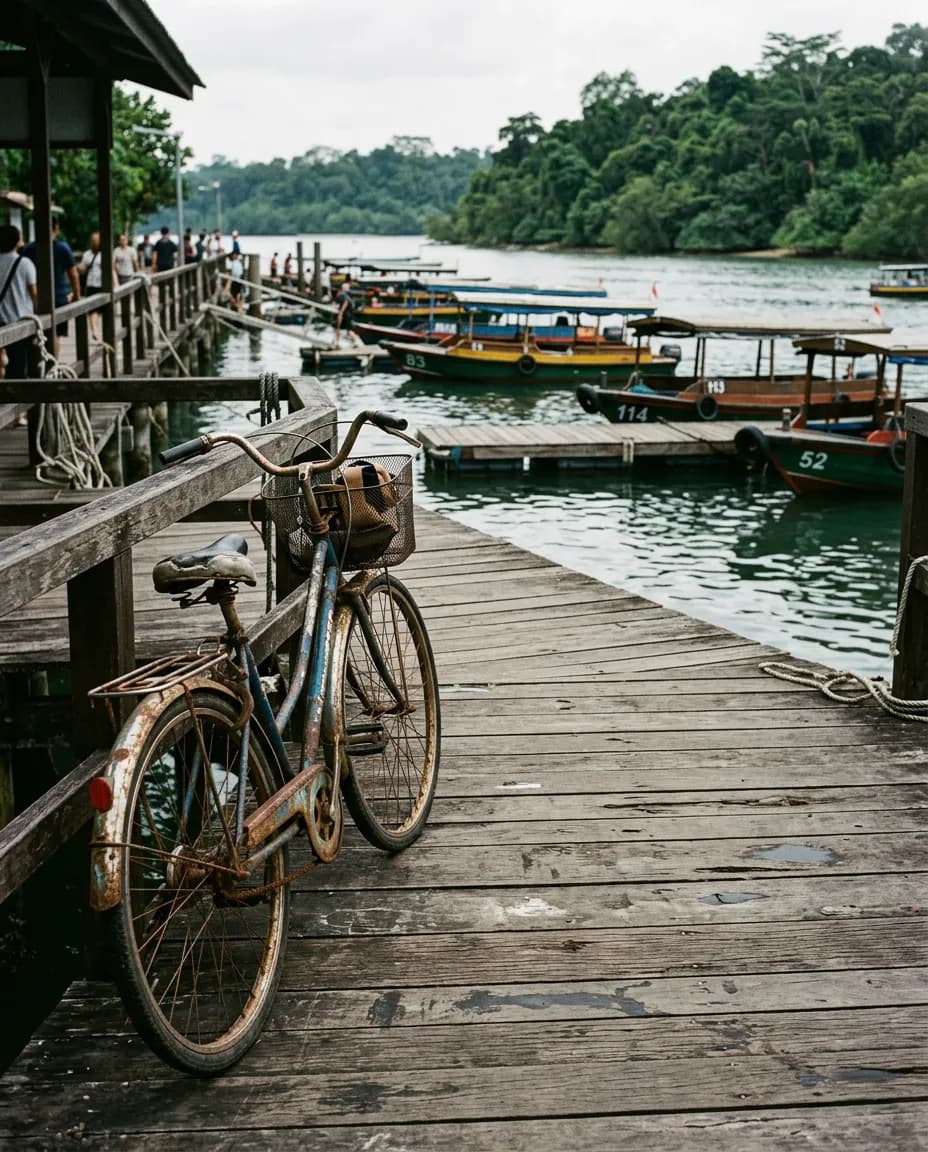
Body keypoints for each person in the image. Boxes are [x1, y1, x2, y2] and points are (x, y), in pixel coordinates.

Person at [22, 219, 79, 350]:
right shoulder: (63, 248)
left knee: (37, 334)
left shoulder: (29, 249)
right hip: (59, 297)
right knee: (56, 334)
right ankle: (53, 366)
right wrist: (77, 294)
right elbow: (73, 274)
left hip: (34, 299)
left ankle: (38, 366)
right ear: (56, 229)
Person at [0, 224, 37, 380]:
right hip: (19, 323)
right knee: (18, 369)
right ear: (17, 241)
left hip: (0, 322)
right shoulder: (24, 263)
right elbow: (34, 294)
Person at [77, 232, 103, 338]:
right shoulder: (87, 255)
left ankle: (97, 329)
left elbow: (112, 270)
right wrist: (79, 268)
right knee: (93, 311)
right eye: (93, 240)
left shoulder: (104, 254)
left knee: (100, 311)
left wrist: (116, 284)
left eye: (96, 240)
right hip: (91, 285)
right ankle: (95, 331)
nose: (94, 242)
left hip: (102, 285)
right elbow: (82, 269)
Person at [334, 274, 360, 346]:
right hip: (348, 314)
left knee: (342, 329)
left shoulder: (343, 296)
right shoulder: (348, 296)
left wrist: (341, 312)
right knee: (341, 330)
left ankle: (339, 343)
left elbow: (344, 303)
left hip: (345, 314)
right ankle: (338, 343)